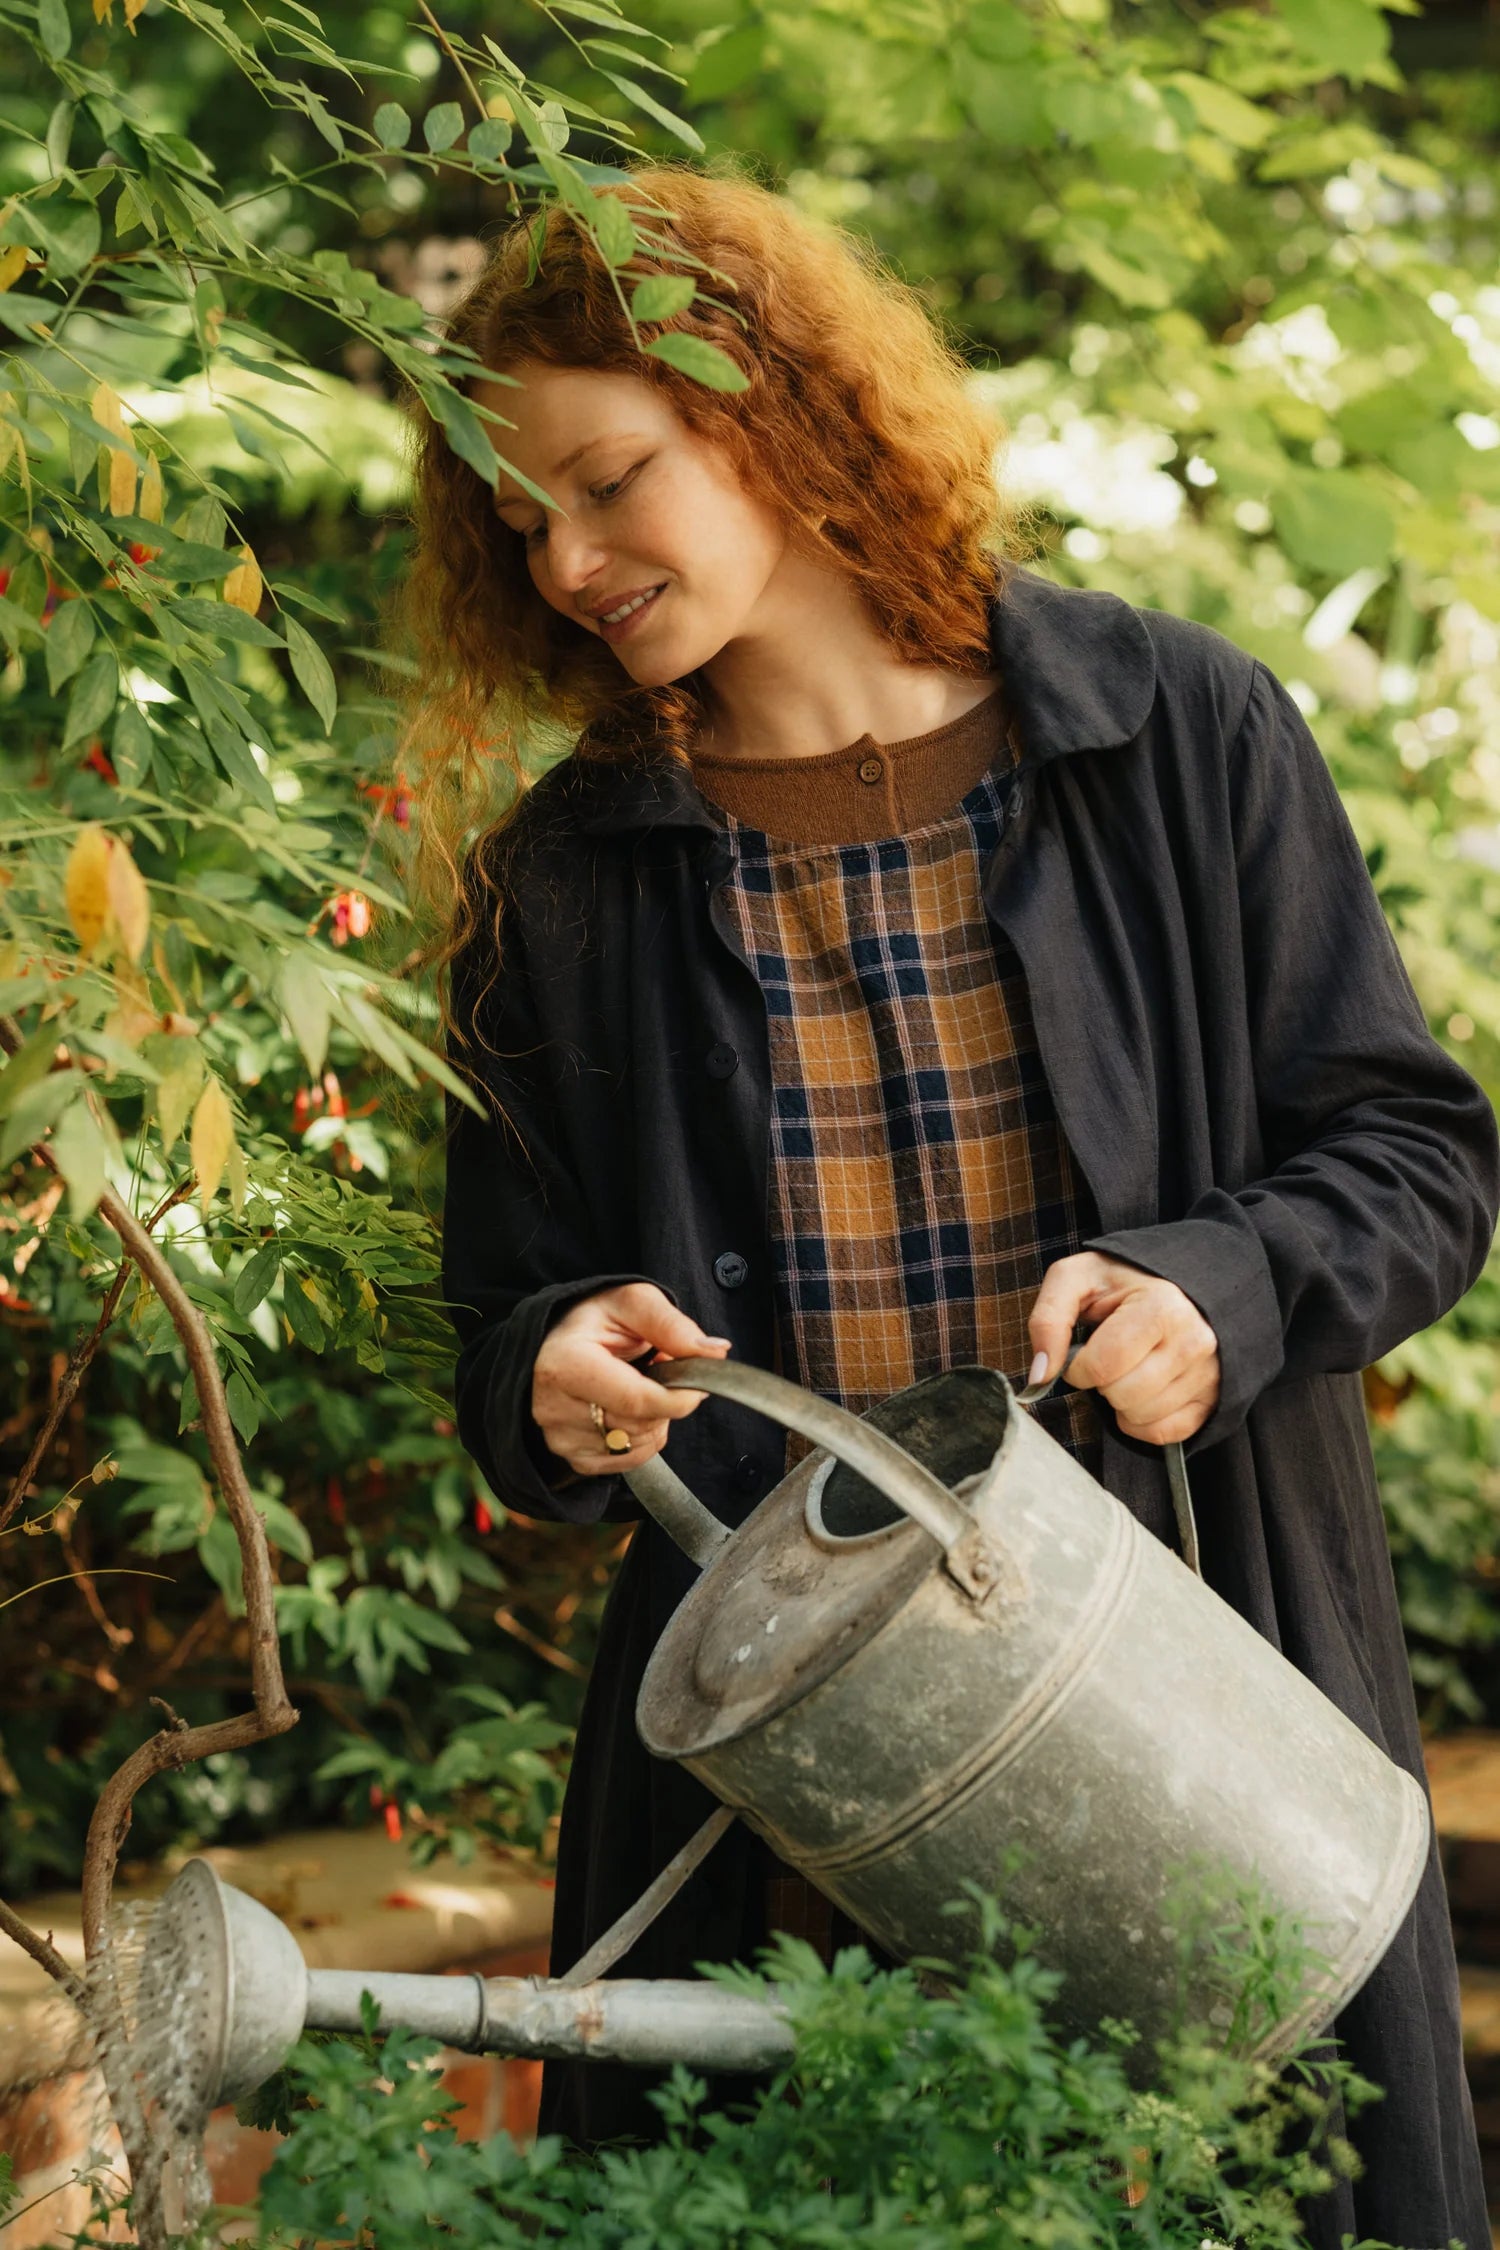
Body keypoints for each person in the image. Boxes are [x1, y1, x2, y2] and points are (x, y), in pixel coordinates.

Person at [406, 156, 1500, 2245]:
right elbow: (505, 1318)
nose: (564, 561)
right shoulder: (557, 885)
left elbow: (1417, 1154)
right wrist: (547, 1365)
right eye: (519, 521)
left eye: (610, 482)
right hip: (788, 1796)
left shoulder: (1175, 733)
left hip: (1211, 1732)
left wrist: (1223, 1287)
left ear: (771, 411)